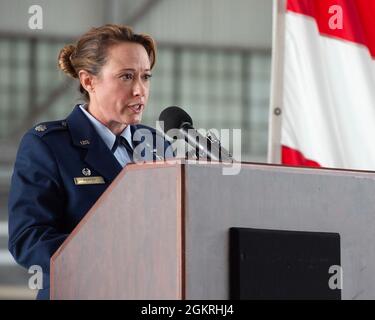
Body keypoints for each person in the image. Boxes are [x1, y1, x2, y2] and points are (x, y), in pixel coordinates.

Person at [7, 24, 173, 300]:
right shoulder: (48, 145)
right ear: (88, 81)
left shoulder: (157, 145)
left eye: (146, 77)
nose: (140, 90)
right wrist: (113, 259)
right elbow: (28, 239)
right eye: (126, 76)